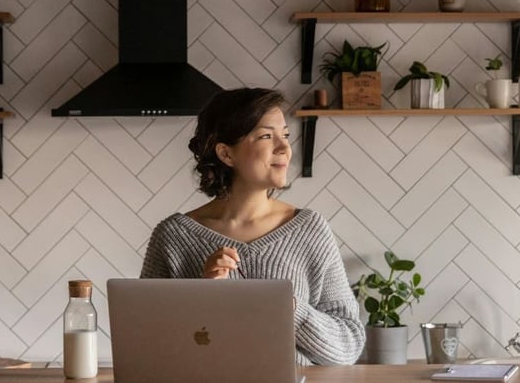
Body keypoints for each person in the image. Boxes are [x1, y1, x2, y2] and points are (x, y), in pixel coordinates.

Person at [140, 87, 365, 365]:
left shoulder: (310, 230)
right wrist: (202, 297)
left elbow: (348, 347)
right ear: (226, 153)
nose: (284, 148)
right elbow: (146, 348)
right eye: (266, 136)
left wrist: (288, 307)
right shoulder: (172, 237)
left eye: (284, 135)